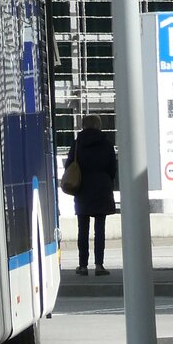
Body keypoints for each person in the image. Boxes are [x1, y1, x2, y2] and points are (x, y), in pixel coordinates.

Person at [64, 112, 118, 276]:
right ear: (98, 125)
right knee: (99, 229)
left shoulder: (78, 144)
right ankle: (99, 265)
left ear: (83, 125)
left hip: (83, 189)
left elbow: (69, 165)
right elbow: (112, 168)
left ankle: (83, 265)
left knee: (83, 229)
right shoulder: (106, 143)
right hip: (102, 188)